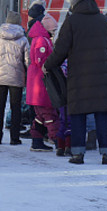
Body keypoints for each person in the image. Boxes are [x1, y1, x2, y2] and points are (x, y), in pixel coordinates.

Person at [44, 0, 107, 165]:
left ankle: (78, 154)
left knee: (78, 115)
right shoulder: (102, 20)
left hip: (80, 78)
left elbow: (60, 50)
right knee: (102, 116)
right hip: (102, 78)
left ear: (74, 4)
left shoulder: (72, 21)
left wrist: (47, 65)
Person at [0, 11, 30, 145]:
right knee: (15, 107)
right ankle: (14, 138)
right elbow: (28, 61)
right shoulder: (23, 39)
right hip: (17, 77)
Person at [26, 13, 60, 153]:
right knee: (50, 114)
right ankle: (59, 142)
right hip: (41, 84)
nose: (54, 33)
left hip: (36, 83)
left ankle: (37, 141)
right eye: (53, 30)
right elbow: (42, 61)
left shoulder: (40, 38)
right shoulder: (42, 40)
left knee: (40, 115)